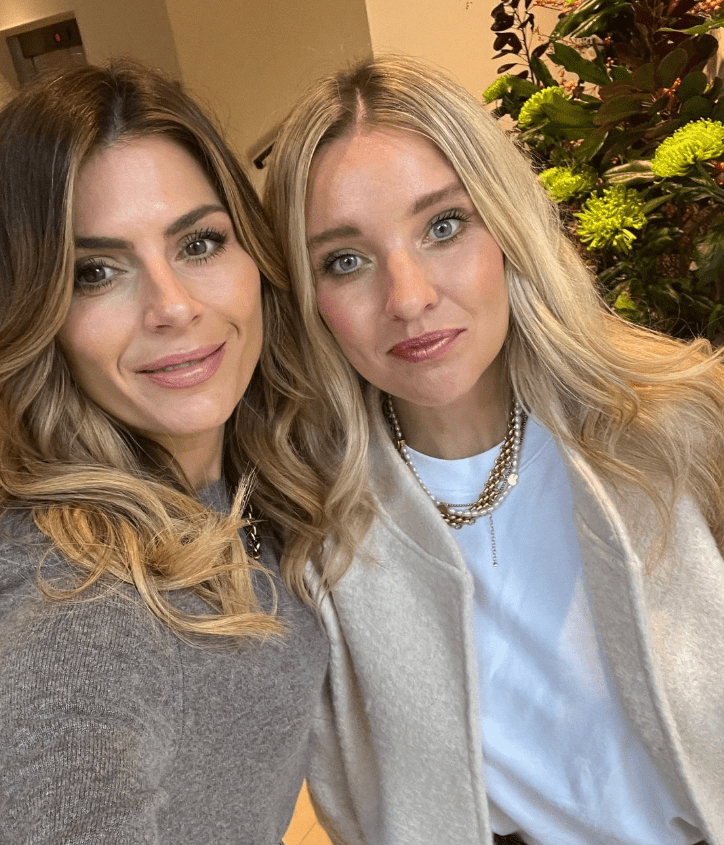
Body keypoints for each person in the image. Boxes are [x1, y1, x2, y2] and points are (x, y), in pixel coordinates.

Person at [264, 54, 724, 845]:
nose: (407, 298)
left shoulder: (678, 429)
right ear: (309, 301)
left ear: (507, 227)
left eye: (443, 226)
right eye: (345, 260)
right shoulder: (308, 534)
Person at [0, 61, 331, 844]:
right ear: (33, 309)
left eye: (199, 242)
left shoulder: (242, 480)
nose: (173, 306)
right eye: (96, 272)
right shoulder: (74, 606)